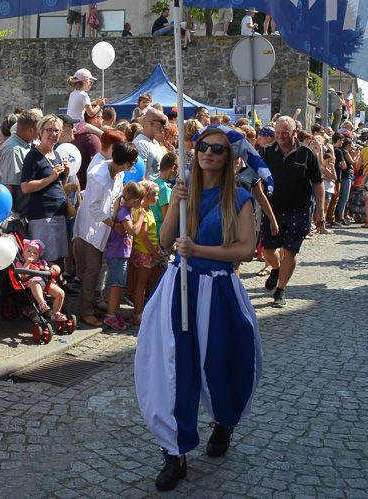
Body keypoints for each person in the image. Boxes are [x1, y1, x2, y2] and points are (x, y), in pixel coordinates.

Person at [136, 125, 262, 492]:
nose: (208, 153)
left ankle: (224, 421)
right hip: (179, 287)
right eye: (203, 146)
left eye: (218, 149)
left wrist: (198, 250)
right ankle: (174, 452)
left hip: (219, 290)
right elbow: (165, 241)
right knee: (174, 367)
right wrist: (175, 203)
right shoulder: (184, 191)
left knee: (223, 362)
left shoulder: (239, 198)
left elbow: (244, 249)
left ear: (230, 158)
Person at [71, 141, 139, 327]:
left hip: (104, 228)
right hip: (90, 230)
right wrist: (114, 225)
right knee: (92, 270)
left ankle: (95, 301)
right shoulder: (99, 177)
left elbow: (116, 198)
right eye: (133, 161)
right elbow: (93, 208)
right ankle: (85, 311)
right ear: (126, 162)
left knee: (100, 268)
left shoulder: (119, 173)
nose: (134, 164)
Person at [259, 116, 324, 308]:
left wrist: (320, 209)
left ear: (294, 133)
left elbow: (318, 182)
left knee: (290, 251)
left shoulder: (306, 153)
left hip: (299, 209)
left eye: (284, 133)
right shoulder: (266, 152)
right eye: (277, 133)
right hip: (272, 209)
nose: (279, 136)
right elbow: (256, 178)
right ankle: (276, 269)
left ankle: (280, 290)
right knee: (268, 250)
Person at [20, 115, 71, 265]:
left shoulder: (57, 155)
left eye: (57, 130)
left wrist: (66, 174)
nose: (53, 134)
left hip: (59, 214)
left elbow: (58, 185)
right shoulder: (33, 156)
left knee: (59, 262)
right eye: (49, 130)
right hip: (42, 216)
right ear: (40, 132)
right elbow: (25, 187)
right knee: (45, 262)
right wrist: (51, 177)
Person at [104, 180, 144, 330]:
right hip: (117, 253)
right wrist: (141, 217)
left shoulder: (126, 211)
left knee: (119, 284)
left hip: (121, 253)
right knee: (116, 285)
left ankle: (114, 312)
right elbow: (133, 231)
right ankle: (110, 316)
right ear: (135, 200)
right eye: (140, 200)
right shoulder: (124, 212)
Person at [129, 181, 163, 325]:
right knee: (141, 285)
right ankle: (138, 314)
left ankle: (143, 311)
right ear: (146, 195)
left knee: (145, 284)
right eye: (155, 194)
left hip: (148, 252)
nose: (157, 197)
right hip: (144, 253)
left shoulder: (149, 211)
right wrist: (155, 253)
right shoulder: (141, 212)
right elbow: (143, 236)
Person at [0, 112, 38, 214]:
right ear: (30, 130)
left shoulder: (23, 146)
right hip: (19, 212)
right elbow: (9, 185)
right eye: (39, 129)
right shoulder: (14, 149)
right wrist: (14, 216)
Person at [19, 239, 67, 323]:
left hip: (45, 282)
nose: (31, 254)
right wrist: (27, 263)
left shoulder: (42, 263)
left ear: (38, 256)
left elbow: (48, 269)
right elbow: (23, 275)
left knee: (61, 293)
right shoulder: (21, 263)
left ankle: (56, 313)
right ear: (23, 253)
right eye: (29, 251)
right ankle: (42, 304)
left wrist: (52, 269)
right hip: (30, 282)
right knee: (36, 284)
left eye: (35, 253)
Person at [66, 69, 105, 136]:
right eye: (91, 82)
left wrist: (95, 102)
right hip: (79, 125)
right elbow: (91, 113)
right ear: (86, 82)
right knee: (102, 134)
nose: (91, 84)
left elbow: (81, 106)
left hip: (70, 125)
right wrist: (99, 105)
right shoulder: (84, 95)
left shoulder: (73, 94)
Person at [134, 106, 168, 181]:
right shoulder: (140, 144)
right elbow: (141, 178)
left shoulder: (155, 142)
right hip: (148, 188)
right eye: (162, 122)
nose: (164, 126)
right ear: (152, 123)